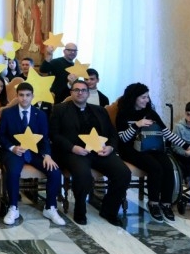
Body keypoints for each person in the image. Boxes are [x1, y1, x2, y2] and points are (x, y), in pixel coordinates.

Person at [49, 81, 130, 226]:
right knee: (83, 174)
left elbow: (112, 133)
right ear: (71, 92)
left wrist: (110, 147)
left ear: (88, 93)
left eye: (83, 90)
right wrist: (73, 148)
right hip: (74, 152)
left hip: (99, 151)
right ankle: (80, 211)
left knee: (123, 172)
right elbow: (54, 135)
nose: (80, 93)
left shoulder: (100, 110)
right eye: (76, 90)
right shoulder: (59, 109)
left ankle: (109, 210)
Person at [115, 83, 190, 222]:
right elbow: (123, 139)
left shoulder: (150, 113)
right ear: (133, 98)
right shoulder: (123, 114)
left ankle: (166, 204)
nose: (147, 100)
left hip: (152, 146)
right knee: (155, 167)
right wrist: (136, 125)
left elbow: (166, 133)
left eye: (147, 97)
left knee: (168, 166)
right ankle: (153, 203)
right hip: (130, 149)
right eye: (143, 97)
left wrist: (187, 146)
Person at [0, 83, 65, 226]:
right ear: (17, 96)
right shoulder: (8, 113)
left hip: (35, 152)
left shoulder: (40, 115)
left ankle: (50, 207)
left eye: (28, 95)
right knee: (13, 172)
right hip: (15, 152)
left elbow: (45, 137)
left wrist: (47, 155)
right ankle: (13, 207)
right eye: (21, 95)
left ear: (33, 96)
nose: (24, 98)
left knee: (55, 171)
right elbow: (1, 135)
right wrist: (12, 147)